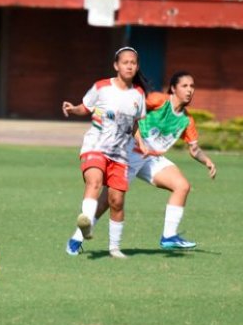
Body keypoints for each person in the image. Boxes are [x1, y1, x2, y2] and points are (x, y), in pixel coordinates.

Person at [82, 71, 217, 252]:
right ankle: (79, 235)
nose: (189, 90)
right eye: (185, 86)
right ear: (173, 88)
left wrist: (206, 161)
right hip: (129, 152)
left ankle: (169, 237)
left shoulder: (187, 120)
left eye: (192, 86)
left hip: (152, 159)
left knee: (182, 186)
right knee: (109, 200)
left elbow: (194, 149)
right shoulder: (158, 100)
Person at [62, 46, 146, 259]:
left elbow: (134, 125)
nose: (129, 65)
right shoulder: (101, 87)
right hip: (95, 146)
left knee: (116, 201)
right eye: (125, 62)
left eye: (133, 63)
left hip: (120, 154)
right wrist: (73, 109)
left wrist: (141, 142)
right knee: (94, 182)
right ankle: (86, 224)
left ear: (136, 67)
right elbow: (86, 107)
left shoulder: (138, 95)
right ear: (116, 65)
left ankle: (114, 248)